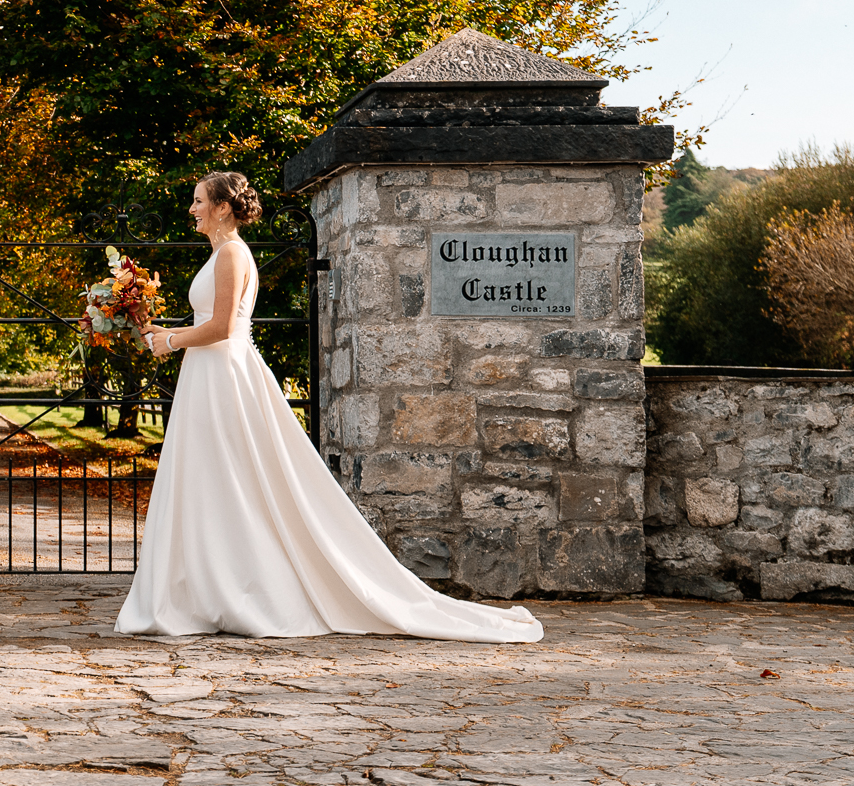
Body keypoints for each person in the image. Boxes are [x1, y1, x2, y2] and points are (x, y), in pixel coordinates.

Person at [122, 171, 542, 642]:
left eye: (199, 201)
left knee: (230, 477)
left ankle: (239, 589)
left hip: (222, 373)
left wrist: (170, 340)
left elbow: (221, 327)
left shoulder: (232, 254)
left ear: (222, 207)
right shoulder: (222, 254)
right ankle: (206, 586)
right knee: (213, 478)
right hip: (210, 374)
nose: (193, 209)